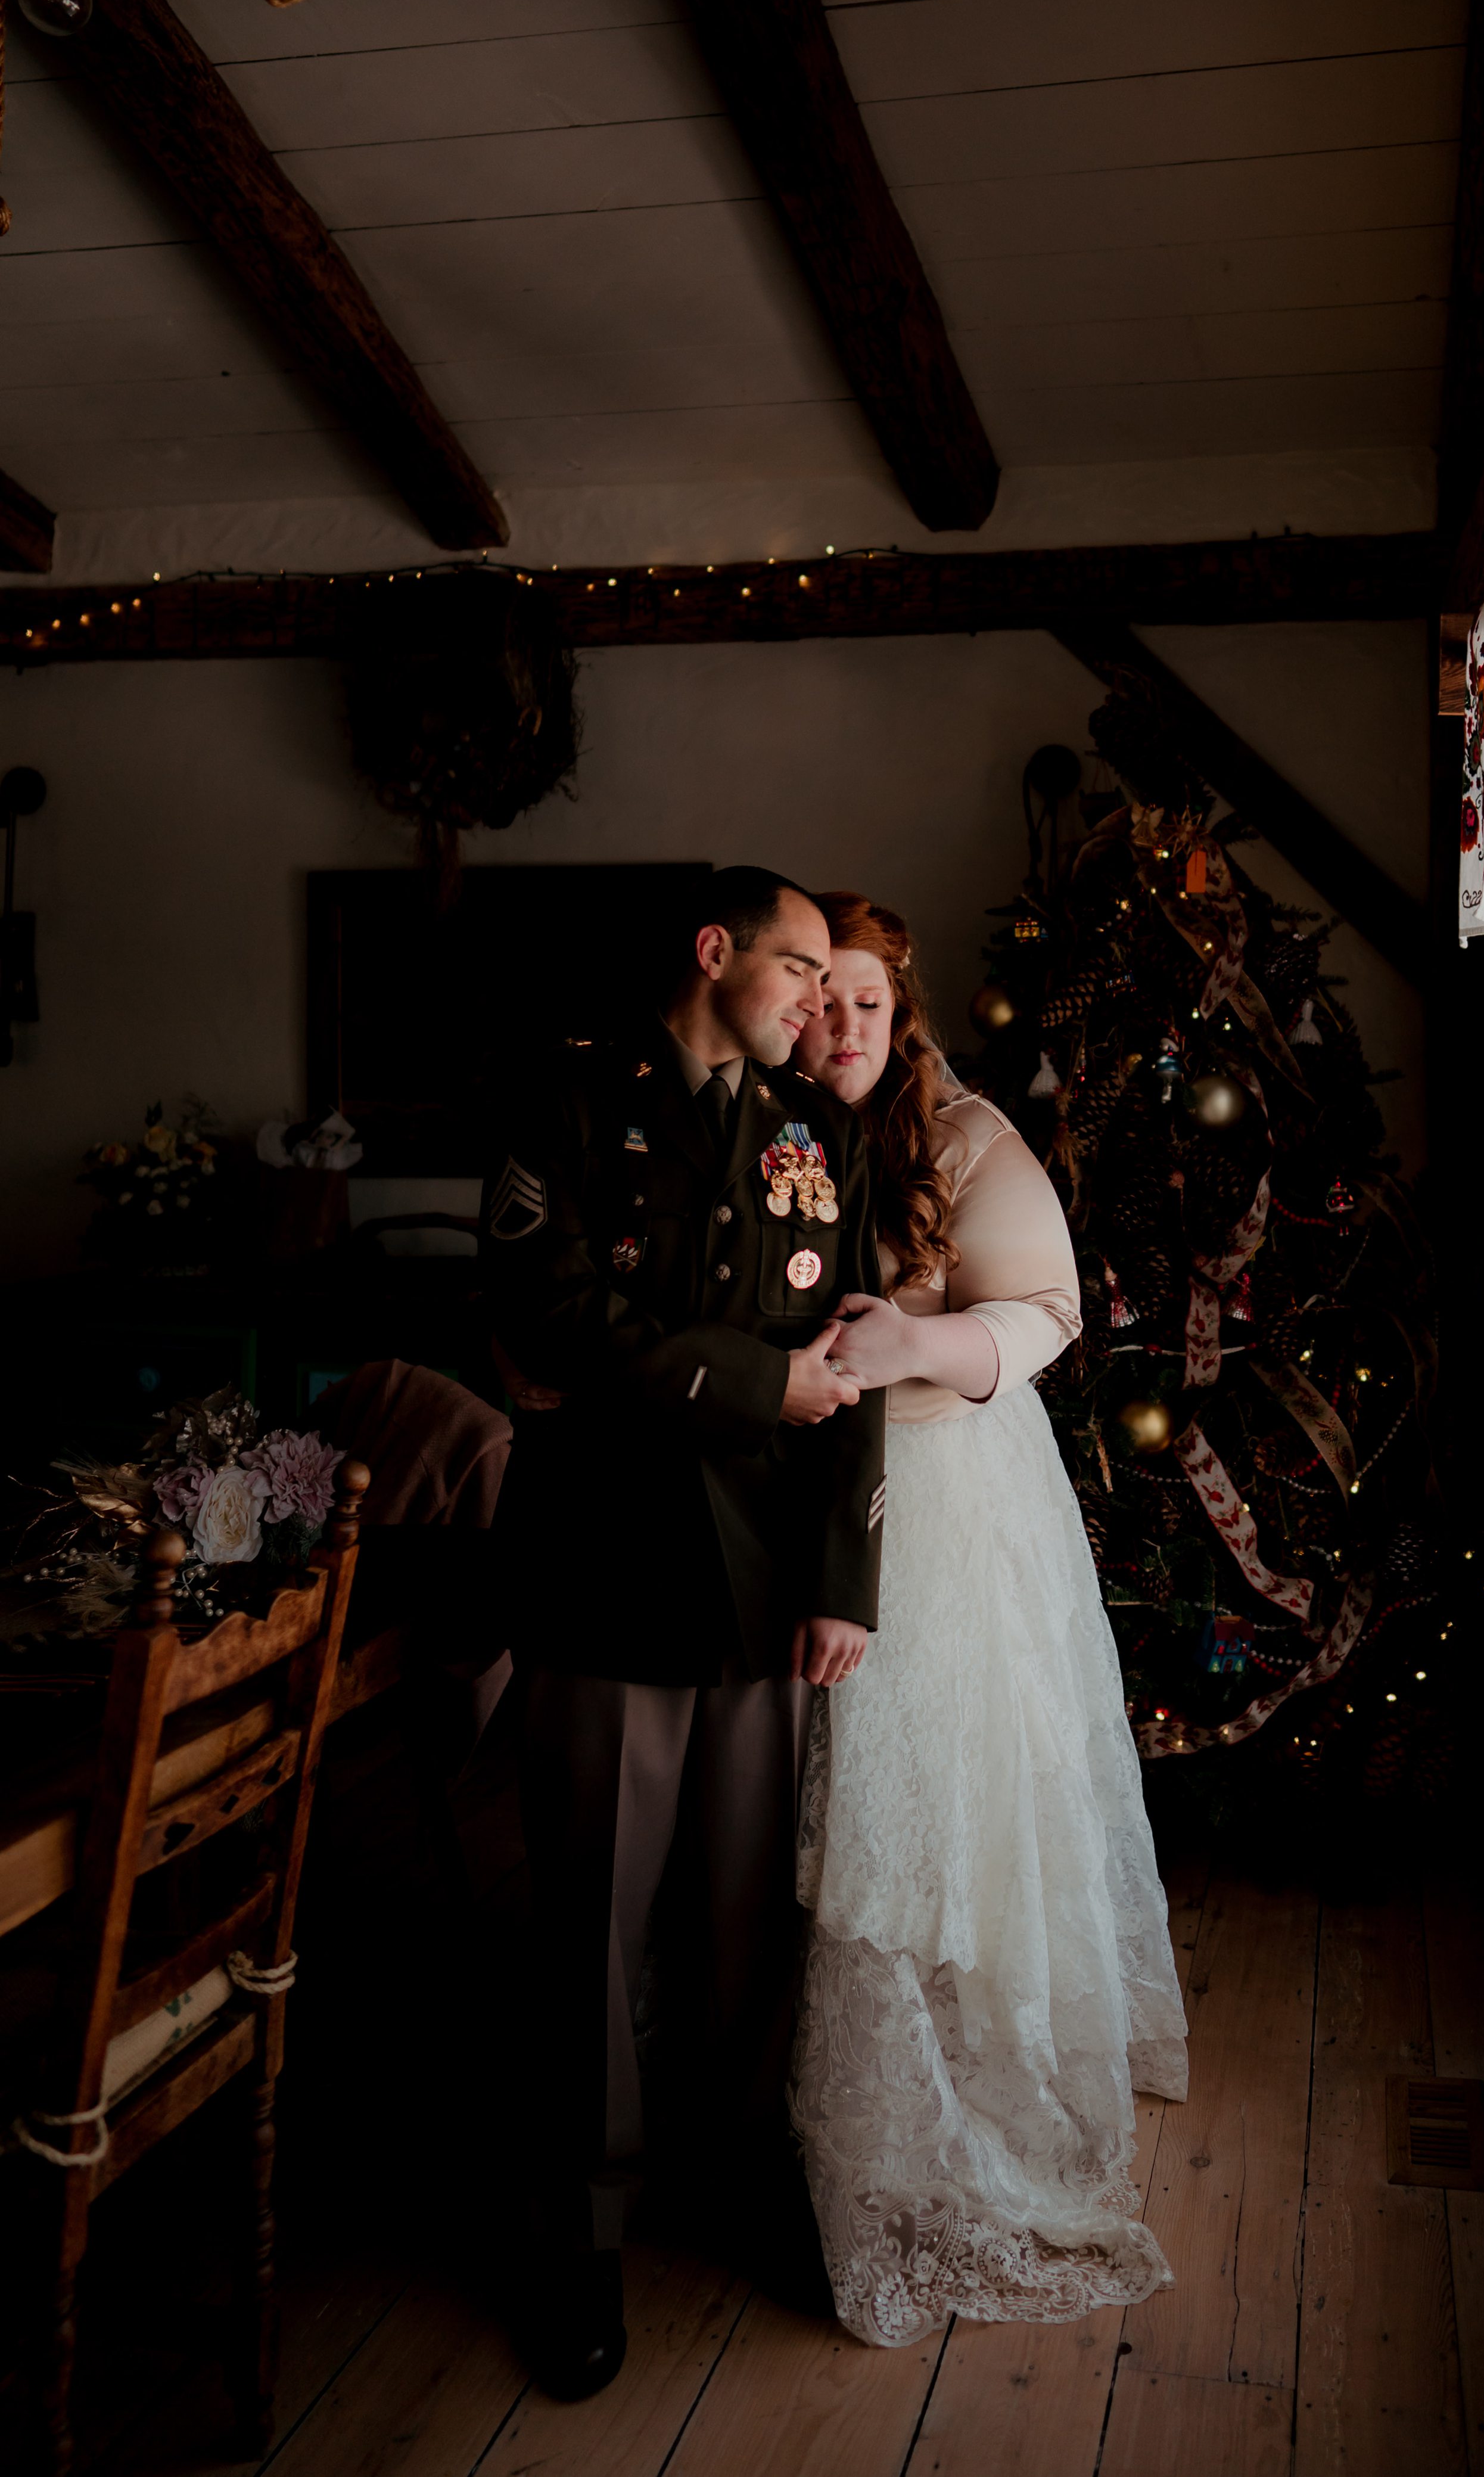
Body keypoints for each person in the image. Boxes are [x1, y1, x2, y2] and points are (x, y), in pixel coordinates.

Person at [480, 868, 885, 2397]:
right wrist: (748, 1383)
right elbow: (554, 1314)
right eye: (796, 969)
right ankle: (580, 2237)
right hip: (605, 1570)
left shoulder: (810, 1134)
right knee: (591, 1927)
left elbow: (853, 1365)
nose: (814, 1001)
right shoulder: (571, 1105)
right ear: (716, 956)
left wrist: (846, 1574)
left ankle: (731, 2186)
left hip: (766, 1584)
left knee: (743, 1921)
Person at [789, 893, 1187, 2348]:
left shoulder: (958, 1136)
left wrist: (923, 1342)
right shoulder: (755, 1122)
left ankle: (936, 2100)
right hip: (794, 1499)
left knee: (938, 1809)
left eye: (867, 1005)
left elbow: (1051, 1310)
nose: (840, 1027)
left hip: (944, 1494)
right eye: (817, 997)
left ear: (906, 1014)